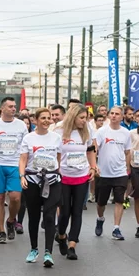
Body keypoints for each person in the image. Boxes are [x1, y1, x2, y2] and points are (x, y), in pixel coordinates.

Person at [18, 107, 61, 267]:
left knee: (49, 216)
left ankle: (48, 253)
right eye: (43, 118)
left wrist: (56, 172)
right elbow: (23, 159)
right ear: (35, 120)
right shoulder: (29, 138)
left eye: (48, 118)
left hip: (52, 180)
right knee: (34, 216)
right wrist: (22, 176)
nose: (46, 121)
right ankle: (34, 249)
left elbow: (58, 158)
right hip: (32, 179)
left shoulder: (56, 138)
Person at [55, 104, 96, 259]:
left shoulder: (87, 130)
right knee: (65, 212)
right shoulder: (59, 130)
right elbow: (55, 153)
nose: (84, 121)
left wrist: (93, 167)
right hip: (64, 176)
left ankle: (72, 245)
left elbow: (91, 150)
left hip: (81, 175)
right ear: (73, 116)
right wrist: (56, 169)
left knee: (77, 211)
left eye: (86, 118)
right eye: (82, 118)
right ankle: (61, 236)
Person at [0, 96, 26, 243]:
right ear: (2, 108)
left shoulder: (21, 125)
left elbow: (25, 148)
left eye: (15, 106)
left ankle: (11, 220)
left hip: (15, 165)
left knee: (15, 197)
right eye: (10, 106)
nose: (14, 109)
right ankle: (1, 231)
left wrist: (25, 167)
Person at [93, 106, 132, 241]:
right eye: (112, 113)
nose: (114, 116)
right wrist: (94, 166)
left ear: (122, 117)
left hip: (120, 172)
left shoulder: (126, 133)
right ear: (109, 115)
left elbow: (127, 152)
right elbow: (94, 150)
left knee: (119, 201)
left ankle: (116, 228)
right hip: (103, 173)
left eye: (117, 114)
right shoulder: (101, 132)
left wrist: (127, 168)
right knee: (101, 203)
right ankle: (100, 219)